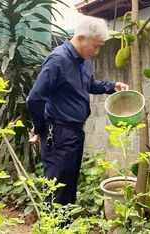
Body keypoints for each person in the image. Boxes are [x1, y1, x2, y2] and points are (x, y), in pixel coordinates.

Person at [26, 16, 129, 206]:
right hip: (57, 133)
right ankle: (54, 227)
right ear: (80, 38)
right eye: (96, 46)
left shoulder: (84, 59)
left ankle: (66, 227)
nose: (97, 52)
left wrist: (111, 86)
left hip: (75, 132)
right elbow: (34, 99)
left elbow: (89, 84)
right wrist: (39, 127)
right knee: (57, 190)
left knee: (69, 186)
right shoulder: (58, 60)